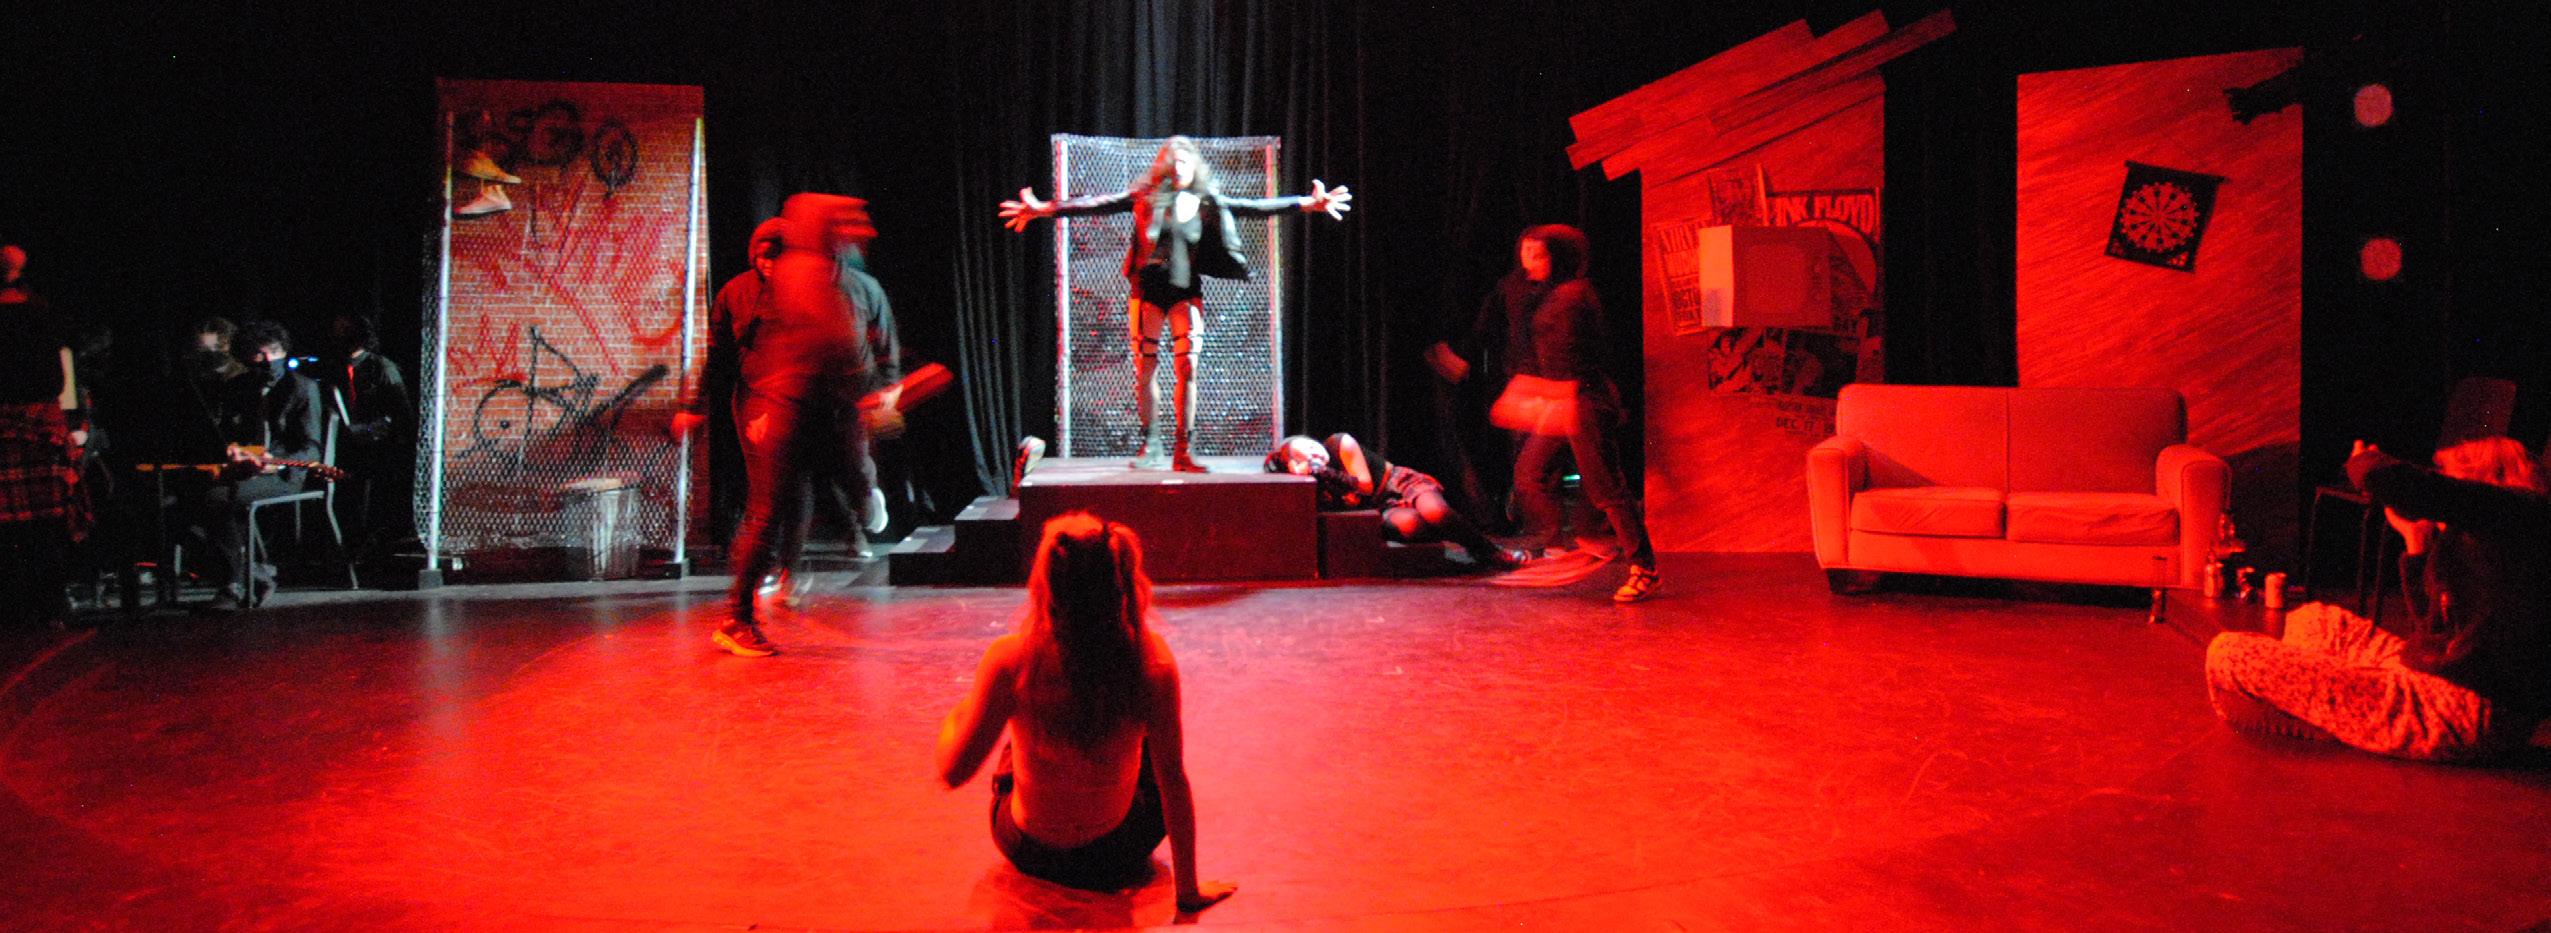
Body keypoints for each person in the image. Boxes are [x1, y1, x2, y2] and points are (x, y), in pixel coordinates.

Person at [936, 512, 1236, 914]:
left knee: (1018, 733)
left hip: (1029, 850)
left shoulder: (1011, 660)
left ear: (1047, 584)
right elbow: (1174, 782)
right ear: (1121, 584)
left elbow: (953, 773)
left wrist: (958, 717)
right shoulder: (1151, 664)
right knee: (1152, 751)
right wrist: (1188, 891)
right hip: (1116, 853)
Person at [1000, 135, 1352, 472]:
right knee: (1146, 368)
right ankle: (1151, 444)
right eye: (1175, 162)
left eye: (1186, 162)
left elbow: (1254, 207)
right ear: (1165, 167)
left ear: (1194, 167)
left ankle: (1185, 449)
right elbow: (1095, 203)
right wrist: (1044, 209)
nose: (1180, 167)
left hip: (1185, 291)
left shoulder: (1206, 201)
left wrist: (1307, 203)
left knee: (1188, 368)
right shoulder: (1145, 198)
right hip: (1147, 291)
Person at [2205, 436, 2551, 762]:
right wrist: (2415, 541)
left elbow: (2382, 477)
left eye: (2450, 476)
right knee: (2315, 619)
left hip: (2464, 710)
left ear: (2484, 477)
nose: (2443, 482)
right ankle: (2343, 706)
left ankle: (2337, 714)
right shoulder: (2479, 540)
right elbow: (2433, 631)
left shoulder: (2521, 514)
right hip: (2432, 677)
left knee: (2229, 653)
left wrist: (2365, 459)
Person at [672, 196, 882, 658]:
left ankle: (840, 525)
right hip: (786, 408)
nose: (860, 232)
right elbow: (827, 346)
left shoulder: (824, 273)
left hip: (802, 407)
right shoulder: (803, 273)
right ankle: (737, 617)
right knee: (768, 512)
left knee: (795, 500)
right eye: (849, 224)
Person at [1495, 225, 1658, 602]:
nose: (1529, 263)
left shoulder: (1573, 296)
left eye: (1539, 255)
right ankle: (1564, 544)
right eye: (1526, 253)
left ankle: (1644, 567)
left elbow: (1574, 360)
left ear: (1560, 258)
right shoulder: (1551, 293)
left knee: (1606, 488)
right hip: (1563, 397)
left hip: (1582, 400)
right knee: (1529, 473)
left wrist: (1532, 396)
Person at [181, 319, 326, 611]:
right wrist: (232, 449)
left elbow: (311, 448)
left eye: (272, 353)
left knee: (217, 500)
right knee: (179, 503)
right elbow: (226, 433)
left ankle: (233, 584)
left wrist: (276, 462)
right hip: (243, 470)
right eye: (258, 355)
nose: (266, 360)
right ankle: (254, 573)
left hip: (284, 475)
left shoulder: (302, 388)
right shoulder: (239, 387)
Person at [1263, 433, 1521, 569]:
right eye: (1304, 457)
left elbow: (1364, 486)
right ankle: (1457, 551)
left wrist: (1327, 472)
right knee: (1411, 526)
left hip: (1397, 483)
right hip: (1381, 507)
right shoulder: (1316, 483)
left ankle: (1490, 551)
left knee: (1436, 512)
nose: (1314, 454)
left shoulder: (1340, 444)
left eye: (1310, 446)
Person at [0, 243, 78, 629]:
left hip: (23, 423)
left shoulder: (38, 309)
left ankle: (29, 605)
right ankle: (48, 604)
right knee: (45, 521)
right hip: (40, 424)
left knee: (25, 523)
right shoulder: (40, 308)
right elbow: (56, 377)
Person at [320, 313, 414, 552]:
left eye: (346, 330)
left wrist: (373, 429)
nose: (340, 335)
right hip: (345, 445)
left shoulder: (380, 366)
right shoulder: (334, 368)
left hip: (378, 444)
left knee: (372, 499)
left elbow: (401, 412)